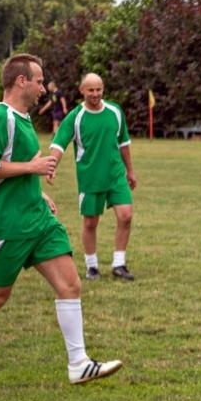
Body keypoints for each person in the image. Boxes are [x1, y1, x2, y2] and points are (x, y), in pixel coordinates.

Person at [0, 53, 122, 385]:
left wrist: (37, 191)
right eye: (38, 81)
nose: (43, 88)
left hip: (35, 217)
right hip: (6, 223)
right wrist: (33, 168)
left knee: (70, 283)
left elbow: (16, 164)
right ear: (21, 81)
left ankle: (78, 363)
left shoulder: (21, 119)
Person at [48, 72, 138, 280]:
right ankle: (92, 266)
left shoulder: (115, 111)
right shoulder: (75, 117)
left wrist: (130, 171)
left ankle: (119, 264)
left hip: (116, 175)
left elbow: (124, 143)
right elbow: (59, 144)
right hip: (90, 178)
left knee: (126, 215)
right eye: (91, 90)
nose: (95, 94)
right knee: (90, 223)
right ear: (82, 91)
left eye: (98, 89)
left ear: (103, 89)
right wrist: (52, 166)